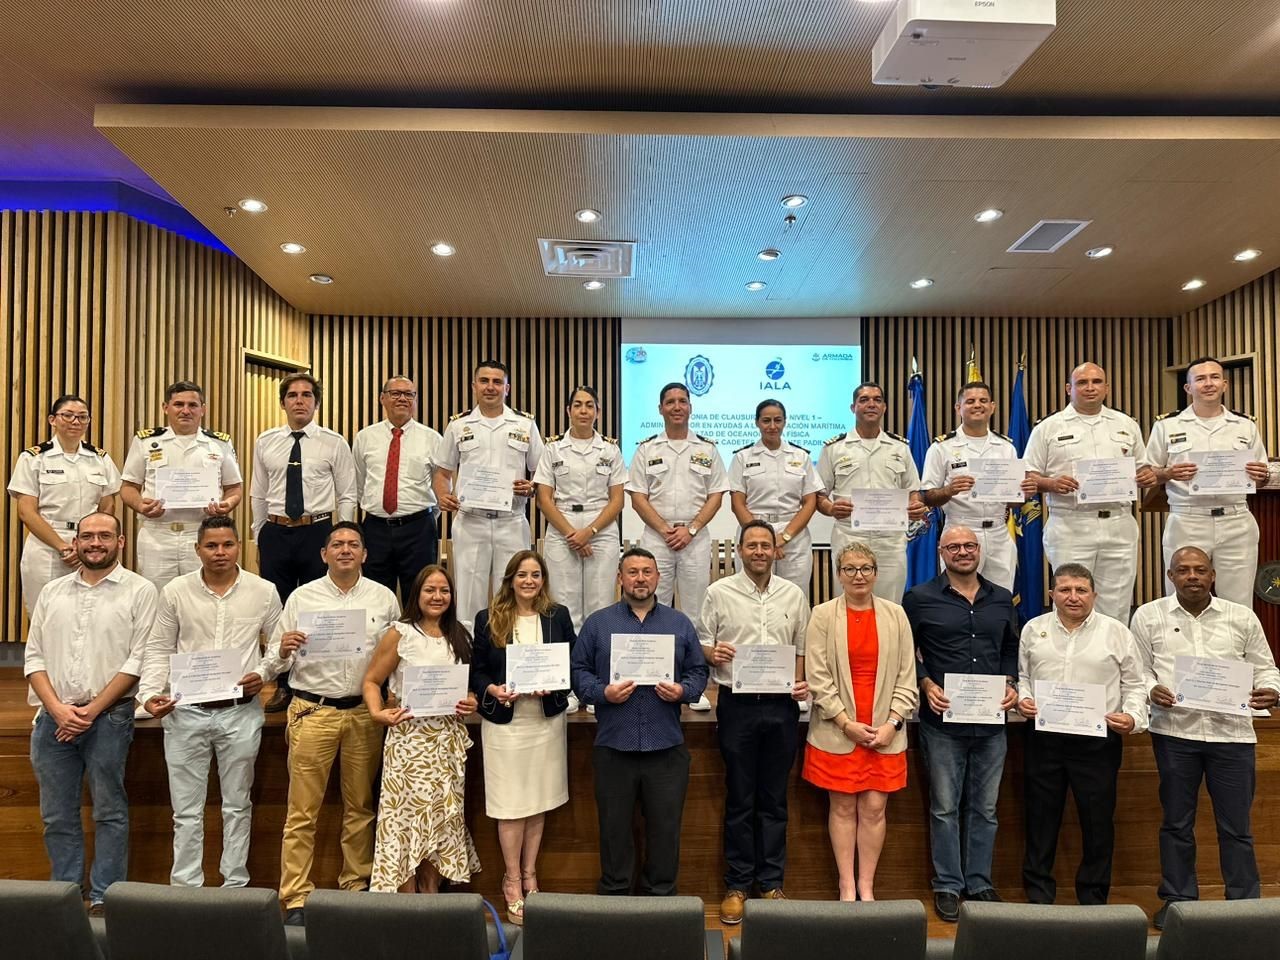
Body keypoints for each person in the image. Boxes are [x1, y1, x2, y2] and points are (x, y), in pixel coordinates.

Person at [1129, 546, 1280, 929]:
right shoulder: (1148, 617)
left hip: (1232, 736)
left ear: (1213, 575)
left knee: (1237, 827)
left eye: (1200, 569)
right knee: (1177, 823)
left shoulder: (1240, 616)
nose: (1192, 576)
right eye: (1183, 570)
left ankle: (1244, 907)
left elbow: (1266, 668)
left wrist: (1271, 691)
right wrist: (1151, 690)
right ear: (1170, 575)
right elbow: (1138, 670)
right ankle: (1178, 902)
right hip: (1175, 734)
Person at [266, 521, 400, 925]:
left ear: (364, 554)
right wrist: (284, 650)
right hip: (313, 711)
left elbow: (395, 659)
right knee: (301, 812)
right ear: (323, 554)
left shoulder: (384, 598)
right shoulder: (301, 597)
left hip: (363, 713)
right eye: (337, 544)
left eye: (353, 544)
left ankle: (354, 888)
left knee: (360, 808)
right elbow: (273, 658)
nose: (345, 550)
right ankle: (295, 898)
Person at [137, 516, 282, 888]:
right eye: (212, 546)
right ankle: (186, 890)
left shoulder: (263, 591)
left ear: (239, 547)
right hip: (186, 714)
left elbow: (280, 647)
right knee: (186, 812)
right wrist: (149, 694)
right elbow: (158, 648)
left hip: (240, 714)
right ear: (197, 549)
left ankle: (235, 886)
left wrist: (263, 674)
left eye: (228, 545)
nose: (220, 552)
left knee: (237, 806)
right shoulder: (174, 591)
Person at [23, 511, 157, 915]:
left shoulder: (141, 591)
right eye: (87, 536)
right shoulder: (53, 592)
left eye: (104, 536)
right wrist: (59, 710)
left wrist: (91, 710)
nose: (94, 543)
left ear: (120, 542)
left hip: (110, 718)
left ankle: (104, 897)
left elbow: (139, 660)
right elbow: (33, 658)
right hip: (53, 718)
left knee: (110, 812)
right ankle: (65, 894)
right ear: (76, 543)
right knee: (56, 815)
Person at [571, 547, 709, 896]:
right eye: (632, 572)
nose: (640, 578)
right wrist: (603, 693)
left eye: (647, 571)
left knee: (665, 831)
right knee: (614, 831)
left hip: (666, 746)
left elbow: (698, 671)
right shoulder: (598, 623)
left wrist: (682, 690)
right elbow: (577, 672)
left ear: (658, 577)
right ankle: (616, 903)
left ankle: (661, 903)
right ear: (619, 578)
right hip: (614, 745)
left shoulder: (678, 623)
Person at [903, 524, 1020, 921]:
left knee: (985, 809)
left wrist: (1011, 682)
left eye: (970, 545)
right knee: (944, 808)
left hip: (991, 723)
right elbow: (907, 652)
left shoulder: (1001, 599)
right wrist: (924, 682)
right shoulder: (919, 598)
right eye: (954, 546)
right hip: (942, 721)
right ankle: (948, 885)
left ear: (980, 550)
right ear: (941, 552)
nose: (963, 552)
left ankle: (980, 881)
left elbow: (1010, 647)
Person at [1016, 563, 1147, 905]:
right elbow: (1023, 677)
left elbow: (1134, 683)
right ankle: (1039, 897)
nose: (1073, 597)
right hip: (1043, 738)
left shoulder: (1116, 632)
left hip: (1097, 741)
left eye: (1081, 590)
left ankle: (1093, 897)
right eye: (1065, 590)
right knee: (1040, 820)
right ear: (1051, 595)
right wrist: (1025, 699)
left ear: (1094, 595)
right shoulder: (1033, 629)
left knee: (1097, 822)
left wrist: (1132, 717)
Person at [700, 521, 810, 922]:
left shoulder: (793, 594)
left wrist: (801, 681)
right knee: (740, 797)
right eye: (752, 545)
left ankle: (771, 883)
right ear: (740, 551)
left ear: (776, 552)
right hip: (737, 705)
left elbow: (801, 644)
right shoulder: (718, 592)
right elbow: (701, 641)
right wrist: (714, 654)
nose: (760, 551)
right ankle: (737, 885)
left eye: (766, 545)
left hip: (781, 707)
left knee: (774, 799)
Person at [802, 541, 917, 903]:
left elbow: (907, 676)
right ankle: (846, 886)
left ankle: (866, 885)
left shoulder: (896, 615)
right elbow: (817, 676)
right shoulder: (822, 615)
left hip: (884, 730)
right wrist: (845, 722)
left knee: (874, 808)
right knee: (842, 806)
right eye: (850, 569)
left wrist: (893, 723)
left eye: (865, 568)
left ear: (876, 573)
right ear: (838, 575)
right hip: (838, 731)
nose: (858, 576)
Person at [470, 551, 576, 923]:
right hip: (505, 726)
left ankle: (530, 873)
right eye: (522, 575)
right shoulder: (489, 618)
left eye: (536, 574)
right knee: (510, 805)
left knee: (538, 800)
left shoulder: (556, 616)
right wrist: (494, 690)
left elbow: (571, 662)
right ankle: (511, 878)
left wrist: (556, 685)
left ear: (543, 579)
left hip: (545, 723)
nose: (529, 581)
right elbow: (477, 672)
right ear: (510, 579)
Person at [364, 565, 480, 894]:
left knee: (439, 819)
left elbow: (465, 689)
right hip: (409, 742)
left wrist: (470, 701)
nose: (437, 596)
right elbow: (372, 681)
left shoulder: (460, 633)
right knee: (407, 820)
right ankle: (406, 900)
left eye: (444, 591)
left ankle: (431, 894)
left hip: (446, 742)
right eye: (430, 590)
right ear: (417, 594)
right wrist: (378, 713)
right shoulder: (400, 633)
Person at [252, 373, 357, 712]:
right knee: (279, 610)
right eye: (293, 395)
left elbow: (348, 493)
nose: (300, 400)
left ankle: (314, 679)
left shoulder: (334, 442)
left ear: (316, 402)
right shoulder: (266, 441)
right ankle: (283, 684)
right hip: (277, 532)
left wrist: (342, 539)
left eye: (307, 395)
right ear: (283, 402)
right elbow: (258, 492)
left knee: (317, 610)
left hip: (318, 532)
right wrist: (259, 536)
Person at [1024, 362, 1156, 621]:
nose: (1090, 388)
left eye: (1096, 382)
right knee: (1070, 600)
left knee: (1117, 602)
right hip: (1071, 524)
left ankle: (1110, 660)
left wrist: (1146, 476)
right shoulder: (1048, 428)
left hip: (1119, 523)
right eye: (1082, 383)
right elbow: (1028, 475)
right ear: (1068, 389)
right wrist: (1050, 484)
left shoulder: (1126, 424)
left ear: (1106, 388)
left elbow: (1144, 468)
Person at [627, 382, 726, 710]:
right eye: (670, 401)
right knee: (653, 606)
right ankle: (655, 674)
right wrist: (665, 529)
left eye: (682, 401)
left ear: (690, 407)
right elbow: (638, 496)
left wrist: (692, 528)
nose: (677, 406)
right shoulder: (646, 449)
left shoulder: (708, 449)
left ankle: (693, 684)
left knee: (696, 611)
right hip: (658, 535)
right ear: (660, 409)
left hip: (695, 536)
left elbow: (716, 495)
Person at [1145, 357, 1270, 605]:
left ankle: (1233, 645)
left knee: (1238, 601)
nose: (1208, 383)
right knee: (1179, 598)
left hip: (1236, 520)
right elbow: (1147, 472)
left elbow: (1262, 476)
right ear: (1188, 388)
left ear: (1225, 384)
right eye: (1200, 379)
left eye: (1214, 377)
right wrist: (1169, 473)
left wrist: (1261, 477)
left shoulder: (1245, 426)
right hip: (1188, 519)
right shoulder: (1167, 426)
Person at [433, 360, 543, 624]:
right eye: (484, 381)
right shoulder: (458, 426)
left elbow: (542, 472)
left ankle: (511, 654)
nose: (490, 387)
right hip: (472, 522)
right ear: (474, 386)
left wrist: (531, 487)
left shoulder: (524, 425)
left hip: (512, 522)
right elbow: (442, 472)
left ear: (507, 388)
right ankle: (470, 657)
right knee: (469, 596)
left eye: (497, 382)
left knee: (516, 592)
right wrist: (442, 495)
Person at [121, 380, 241, 589]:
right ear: (166, 407)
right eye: (178, 404)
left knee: (201, 595)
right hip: (157, 534)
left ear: (202, 409)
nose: (186, 410)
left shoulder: (219, 443)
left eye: (193, 405)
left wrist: (227, 505)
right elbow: (128, 487)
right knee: (155, 597)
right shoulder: (146, 442)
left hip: (203, 533)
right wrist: (141, 505)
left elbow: (234, 488)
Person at [816, 382, 927, 604]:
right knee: (848, 602)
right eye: (864, 400)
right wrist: (831, 508)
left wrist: (916, 505)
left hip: (890, 539)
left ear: (884, 407)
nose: (871, 404)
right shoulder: (834, 448)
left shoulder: (900, 448)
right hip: (850, 535)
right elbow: (818, 496)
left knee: (890, 603)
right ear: (853, 407)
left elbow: (913, 491)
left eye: (877, 400)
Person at [9, 394, 121, 613]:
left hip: (89, 544)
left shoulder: (100, 458)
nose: (75, 422)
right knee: (46, 615)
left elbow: (108, 505)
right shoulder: (34, 458)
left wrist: (88, 541)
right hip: (47, 545)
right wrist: (61, 546)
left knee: (90, 613)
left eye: (82, 417)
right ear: (53, 420)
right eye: (67, 416)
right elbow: (26, 512)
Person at [921, 382, 1037, 592]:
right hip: (960, 532)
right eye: (970, 401)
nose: (977, 405)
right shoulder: (941, 448)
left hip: (999, 533)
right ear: (958, 408)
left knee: (1001, 598)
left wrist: (1024, 494)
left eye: (983, 401)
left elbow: (1012, 501)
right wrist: (949, 490)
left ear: (992, 407)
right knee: (958, 597)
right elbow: (927, 496)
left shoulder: (1006, 447)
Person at [534, 385, 626, 631]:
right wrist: (572, 534)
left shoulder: (610, 449)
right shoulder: (552, 448)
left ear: (598, 411)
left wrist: (589, 532)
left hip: (601, 529)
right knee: (563, 604)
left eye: (589, 405)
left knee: (600, 604)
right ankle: (568, 666)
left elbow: (617, 500)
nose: (583, 411)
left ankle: (595, 665)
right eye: (577, 405)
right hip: (562, 526)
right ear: (568, 410)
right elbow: (543, 498)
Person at [351, 375, 443, 600]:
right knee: (375, 595)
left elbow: (441, 487)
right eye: (395, 393)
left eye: (408, 394)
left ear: (415, 400)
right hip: (376, 529)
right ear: (382, 398)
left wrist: (424, 516)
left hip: (418, 529)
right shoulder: (365, 437)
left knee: (421, 594)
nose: (402, 398)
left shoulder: (433, 439)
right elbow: (360, 484)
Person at [728, 400, 822, 593]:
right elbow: (737, 503)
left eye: (778, 420)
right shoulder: (743, 457)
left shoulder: (800, 456)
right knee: (751, 592)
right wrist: (765, 538)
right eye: (766, 421)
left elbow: (810, 502)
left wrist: (784, 537)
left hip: (793, 535)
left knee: (795, 595)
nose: (772, 426)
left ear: (785, 422)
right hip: (753, 533)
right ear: (757, 423)